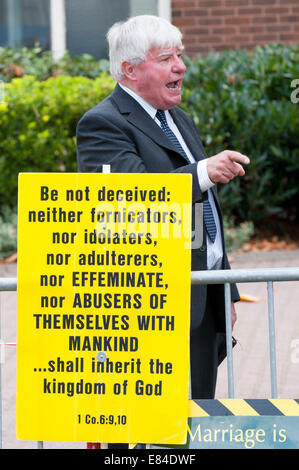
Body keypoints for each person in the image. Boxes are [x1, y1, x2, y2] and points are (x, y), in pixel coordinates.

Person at [76, 15, 250, 400]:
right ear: (129, 69)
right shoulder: (102, 123)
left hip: (201, 299)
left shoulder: (178, 119)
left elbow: (206, 219)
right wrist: (204, 171)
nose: (181, 66)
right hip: (148, 309)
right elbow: (129, 198)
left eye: (181, 55)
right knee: (145, 435)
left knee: (195, 423)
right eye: (167, 58)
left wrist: (226, 293)